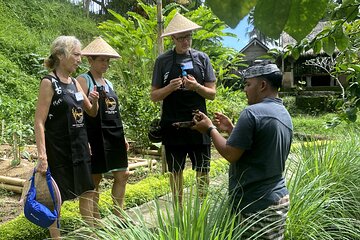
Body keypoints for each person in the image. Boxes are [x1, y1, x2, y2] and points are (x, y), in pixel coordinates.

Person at [192, 62, 293, 239]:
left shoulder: (252, 112)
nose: (245, 90)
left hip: (257, 203)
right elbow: (258, 147)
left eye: (248, 84)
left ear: (262, 86)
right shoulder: (283, 112)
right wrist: (232, 130)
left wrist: (210, 129)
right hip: (278, 198)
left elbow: (231, 154)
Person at [34, 36, 99, 239]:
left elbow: (91, 112)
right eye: (77, 54)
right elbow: (39, 122)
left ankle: (91, 233)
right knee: (56, 197)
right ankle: (57, 237)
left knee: (88, 190)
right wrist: (42, 156)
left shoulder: (74, 83)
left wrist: (95, 101)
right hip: (58, 148)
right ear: (61, 55)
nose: (80, 59)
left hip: (80, 146)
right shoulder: (49, 82)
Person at [150, 13, 216, 207]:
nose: (186, 41)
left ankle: (202, 209)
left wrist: (196, 87)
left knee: (203, 169)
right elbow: (154, 96)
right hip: (172, 123)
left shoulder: (202, 59)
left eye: (188, 37)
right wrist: (170, 87)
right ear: (173, 39)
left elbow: (212, 94)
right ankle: (178, 211)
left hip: (199, 123)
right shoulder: (163, 61)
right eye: (181, 38)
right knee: (176, 170)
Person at [77, 37, 129, 221]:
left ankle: (119, 216)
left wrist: (122, 137)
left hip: (114, 134)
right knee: (95, 180)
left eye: (107, 60)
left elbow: (116, 113)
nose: (105, 64)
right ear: (90, 60)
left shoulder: (109, 84)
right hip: (94, 135)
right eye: (101, 60)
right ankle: (96, 221)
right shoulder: (83, 80)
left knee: (123, 174)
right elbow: (78, 112)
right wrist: (83, 141)